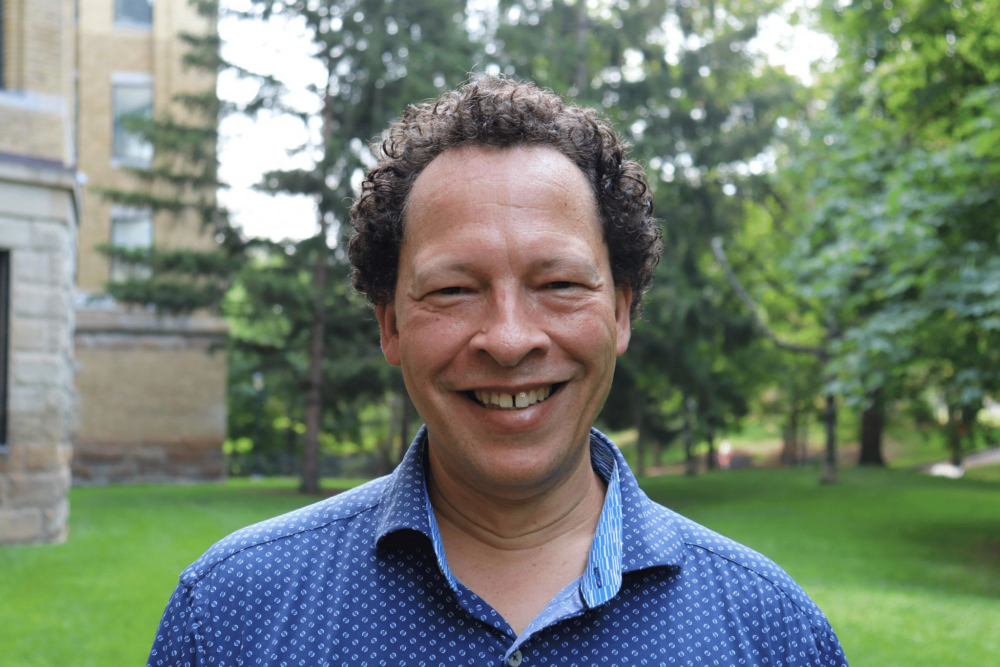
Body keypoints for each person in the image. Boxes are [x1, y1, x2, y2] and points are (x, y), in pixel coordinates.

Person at [147, 76, 848, 667]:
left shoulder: (773, 634)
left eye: (560, 284)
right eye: (454, 289)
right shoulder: (229, 618)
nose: (509, 339)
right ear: (390, 322)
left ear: (622, 312)